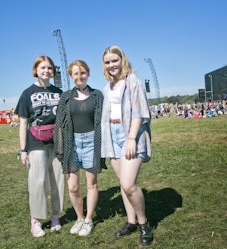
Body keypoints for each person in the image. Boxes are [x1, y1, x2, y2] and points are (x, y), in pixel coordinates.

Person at [101, 45, 153, 246]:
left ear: (122, 60)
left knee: (128, 184)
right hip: (112, 137)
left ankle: (144, 223)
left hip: (130, 134)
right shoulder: (108, 87)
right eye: (107, 62)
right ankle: (131, 222)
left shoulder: (133, 82)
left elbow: (140, 112)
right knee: (123, 183)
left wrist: (131, 138)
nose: (112, 65)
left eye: (115, 60)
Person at [14, 55, 65, 238]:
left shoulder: (59, 93)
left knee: (57, 180)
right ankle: (35, 220)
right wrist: (23, 150)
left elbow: (63, 120)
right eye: (42, 67)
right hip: (35, 143)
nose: (46, 71)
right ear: (36, 70)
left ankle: (55, 216)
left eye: (49, 68)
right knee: (37, 182)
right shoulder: (27, 93)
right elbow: (23, 123)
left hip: (56, 142)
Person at [54, 60, 104, 236]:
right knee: (73, 187)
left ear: (88, 73)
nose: (79, 76)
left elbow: (103, 122)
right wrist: (59, 149)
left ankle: (89, 220)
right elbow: (59, 124)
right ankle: (80, 218)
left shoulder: (98, 95)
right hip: (71, 143)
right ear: (71, 76)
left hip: (92, 141)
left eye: (82, 72)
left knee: (91, 184)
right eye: (76, 73)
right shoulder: (65, 97)